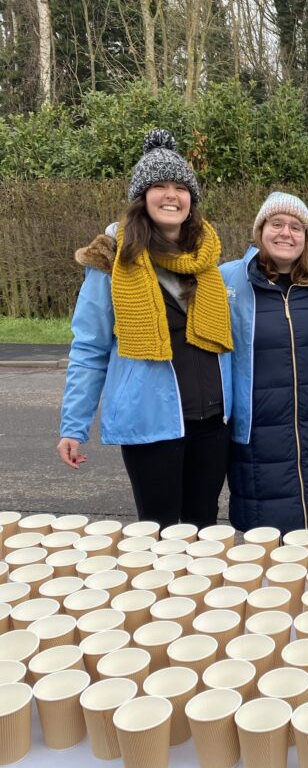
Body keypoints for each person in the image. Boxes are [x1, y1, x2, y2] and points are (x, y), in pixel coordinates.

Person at [57, 129, 233, 528]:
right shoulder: (114, 261)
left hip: (212, 425)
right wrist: (73, 426)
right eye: (158, 186)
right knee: (159, 532)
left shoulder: (207, 259)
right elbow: (89, 348)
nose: (171, 195)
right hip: (152, 425)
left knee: (204, 525)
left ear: (192, 198)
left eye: (180, 186)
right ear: (142, 197)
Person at [221, 192, 308, 533]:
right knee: (265, 539)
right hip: (258, 435)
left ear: (307, 238)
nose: (285, 233)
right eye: (276, 224)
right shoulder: (228, 280)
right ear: (260, 231)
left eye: (296, 227)